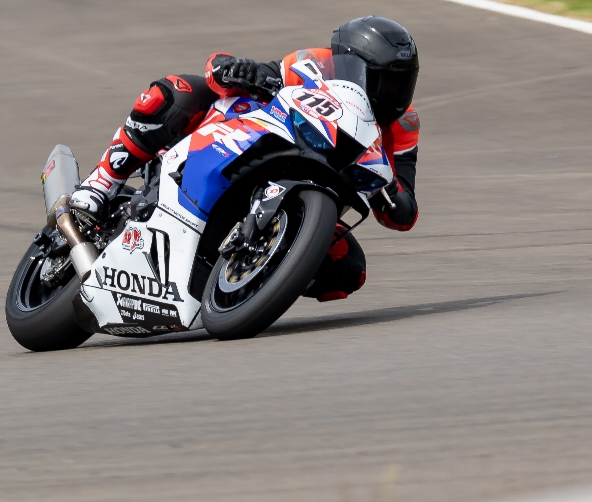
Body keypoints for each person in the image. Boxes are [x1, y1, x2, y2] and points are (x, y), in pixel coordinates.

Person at [69, 16, 421, 302]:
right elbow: (228, 73)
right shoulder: (313, 63)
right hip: (261, 143)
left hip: (313, 194)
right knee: (175, 93)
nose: (396, 95)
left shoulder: (403, 125)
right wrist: (241, 71)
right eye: (386, 84)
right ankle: (101, 183)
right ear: (354, 68)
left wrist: (390, 194)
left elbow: (406, 211)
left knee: (349, 268)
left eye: (402, 84)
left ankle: (256, 281)